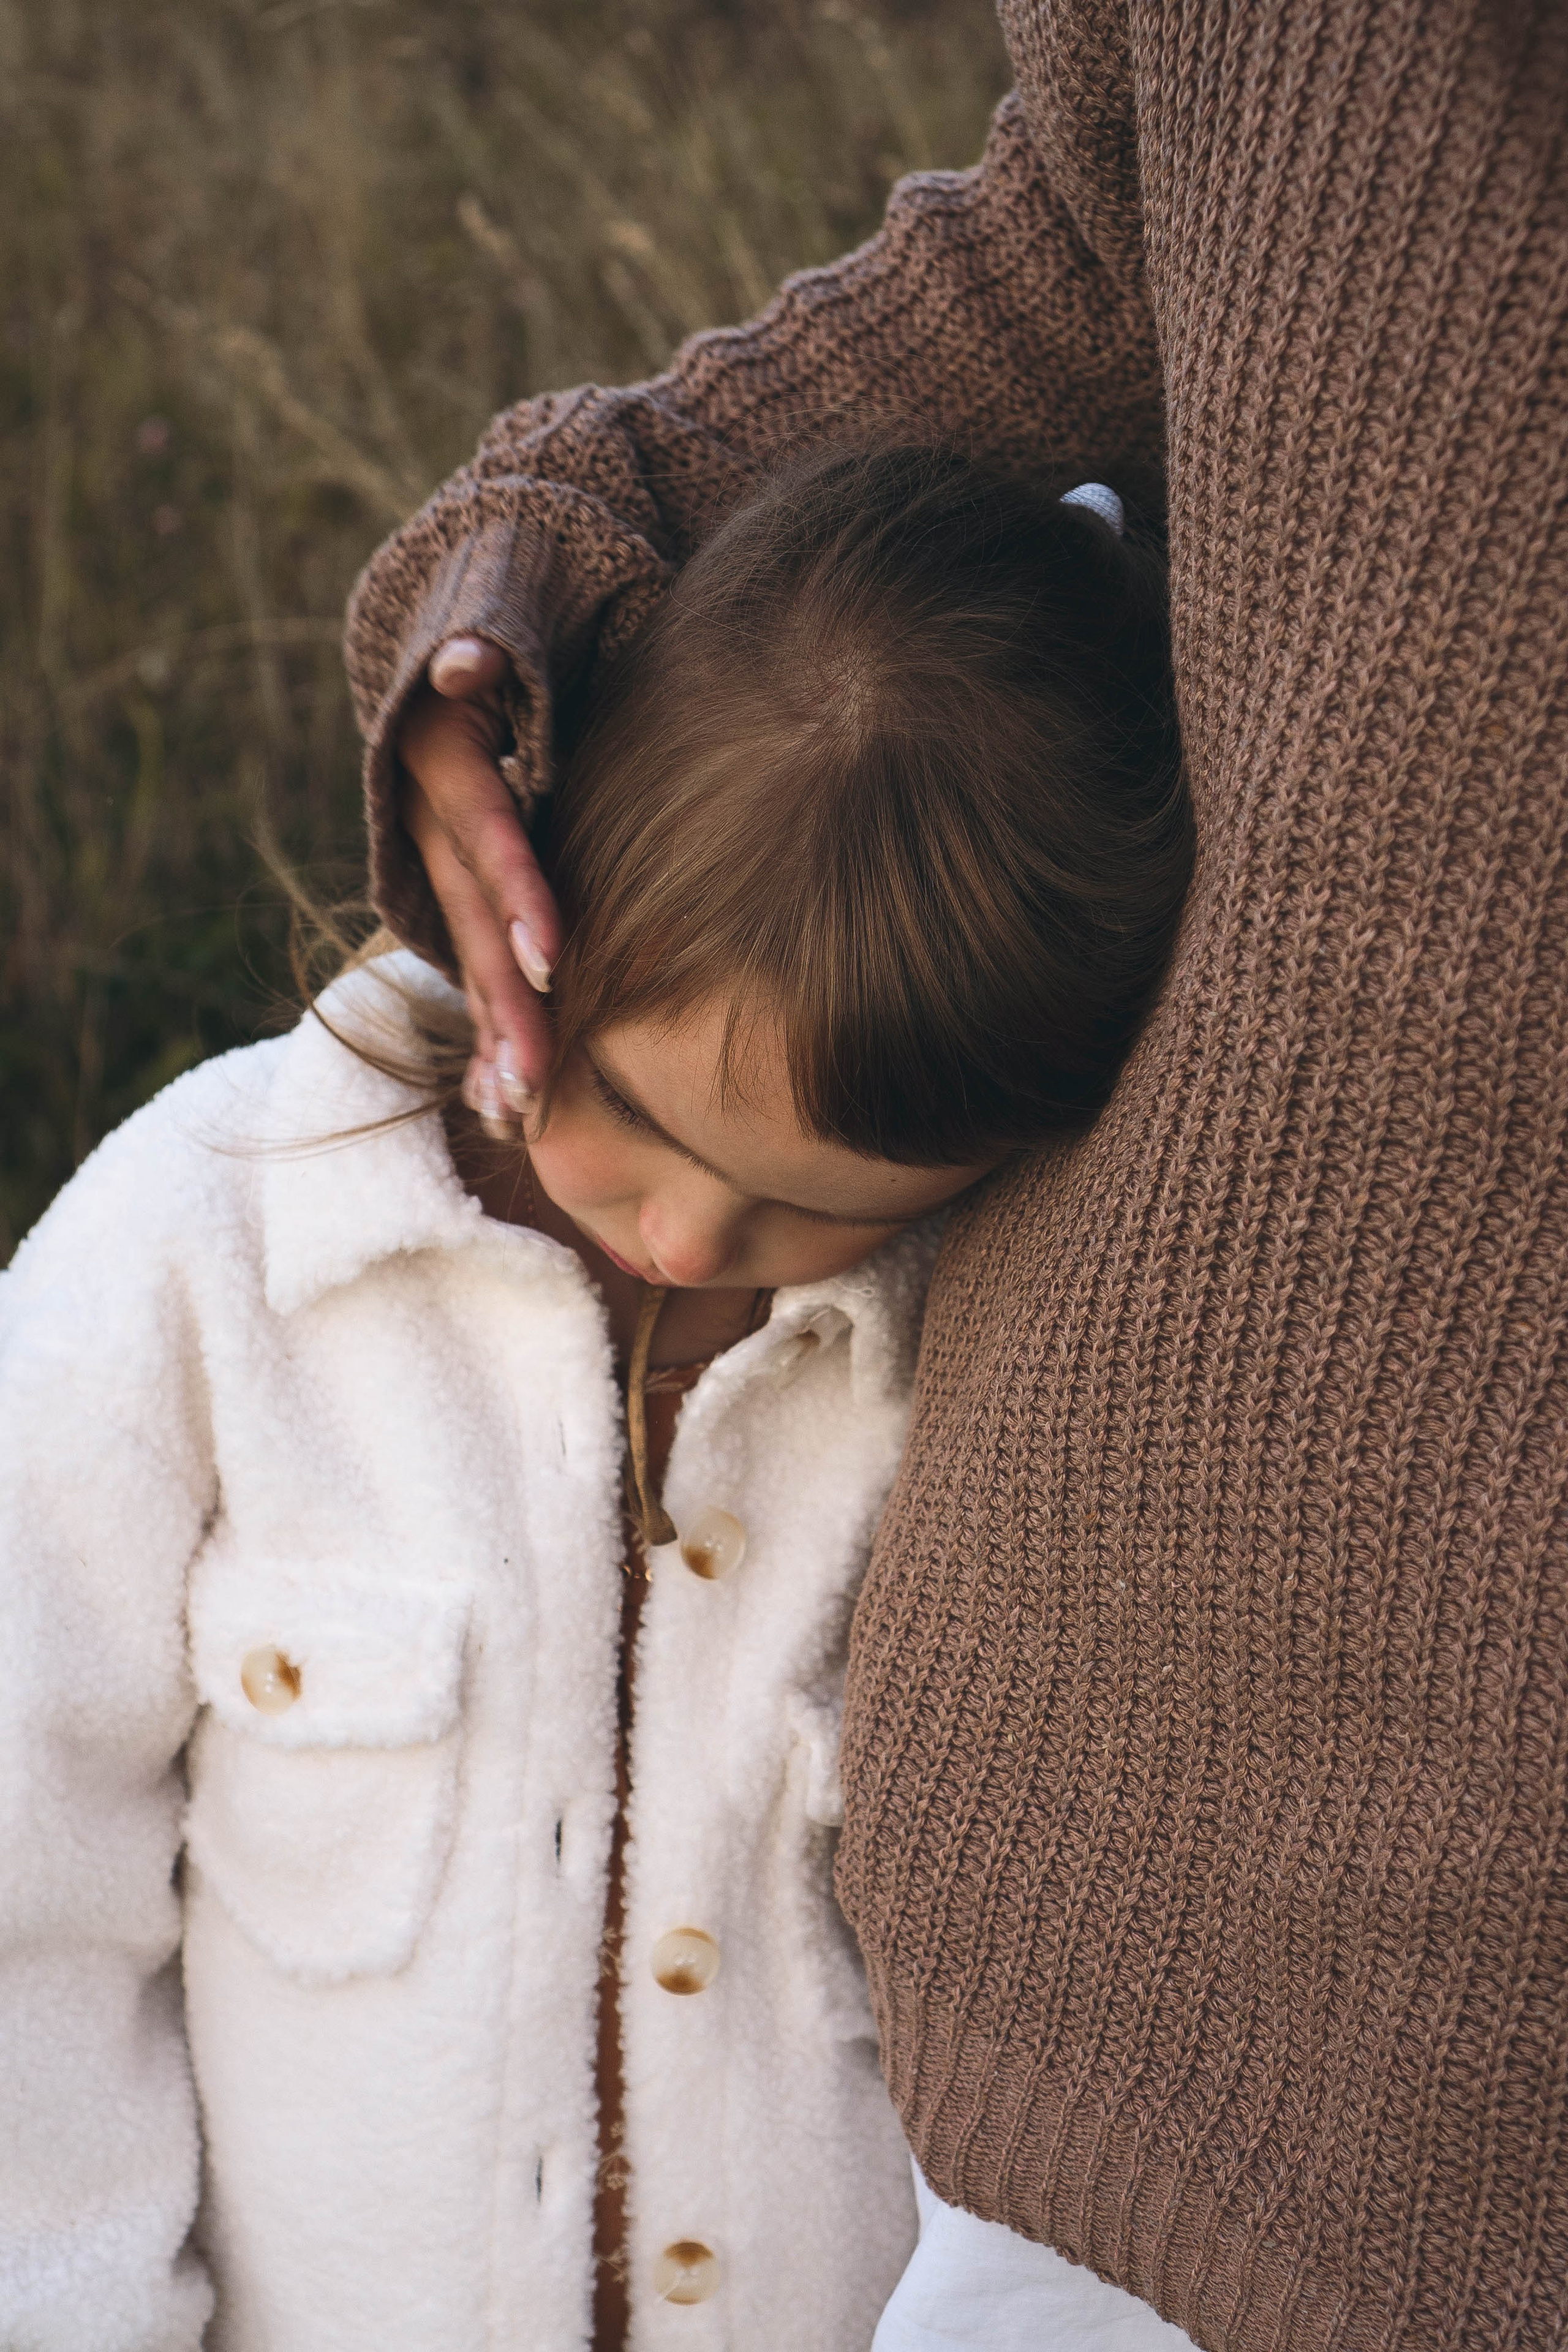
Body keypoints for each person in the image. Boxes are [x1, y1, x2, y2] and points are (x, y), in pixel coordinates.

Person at [344, 4, 1568, 2346]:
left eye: (792, 1198)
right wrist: (520, 588)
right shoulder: (250, 1233)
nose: (697, 1242)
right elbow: (1079, 255)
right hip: (1106, 2014)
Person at [0, 447, 1192, 2351]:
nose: (688, 1232)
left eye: (817, 1203)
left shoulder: (1012, 1357)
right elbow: (20, 1901)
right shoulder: (201, 1250)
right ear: (519, 889)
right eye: (631, 1115)